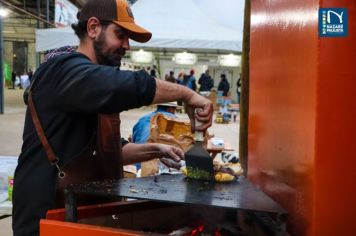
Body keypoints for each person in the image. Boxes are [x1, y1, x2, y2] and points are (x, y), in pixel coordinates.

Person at [12, 0, 213, 235]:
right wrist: (187, 94)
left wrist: (157, 150)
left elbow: (107, 151)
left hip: (79, 211)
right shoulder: (63, 69)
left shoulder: (91, 83)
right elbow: (126, 86)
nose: (127, 45)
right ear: (93, 28)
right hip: (45, 214)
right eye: (120, 34)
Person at [132, 102, 179, 169]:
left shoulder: (142, 119)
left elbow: (134, 141)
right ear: (171, 109)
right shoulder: (174, 120)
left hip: (138, 166)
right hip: (159, 169)